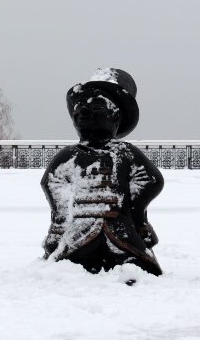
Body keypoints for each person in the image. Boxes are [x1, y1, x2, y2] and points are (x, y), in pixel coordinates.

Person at [41, 68, 164, 277]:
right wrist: (61, 219)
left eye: (96, 107)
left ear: (116, 117)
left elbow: (151, 180)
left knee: (135, 264)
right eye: (80, 110)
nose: (85, 114)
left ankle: (130, 272)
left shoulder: (124, 152)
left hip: (119, 226)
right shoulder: (69, 154)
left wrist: (133, 211)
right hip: (80, 227)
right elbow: (52, 181)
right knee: (70, 264)